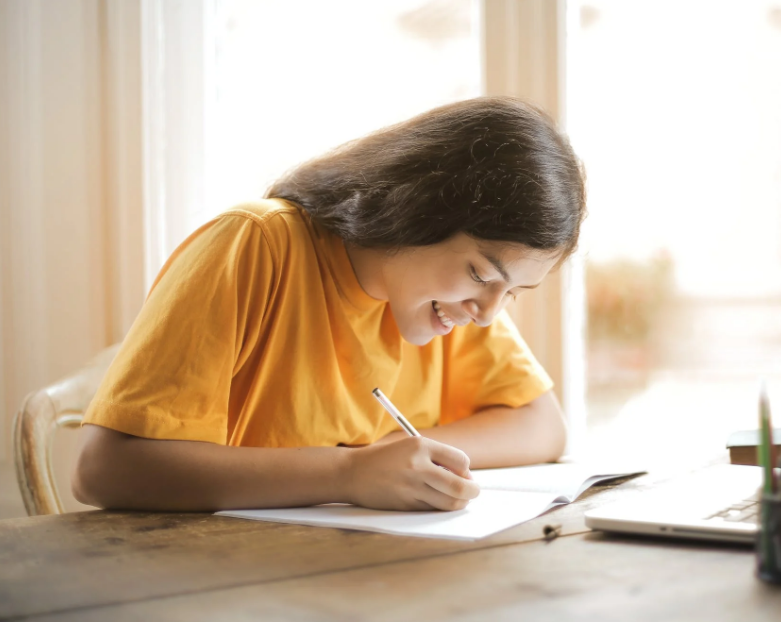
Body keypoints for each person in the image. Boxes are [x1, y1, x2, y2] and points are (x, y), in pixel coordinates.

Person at [72, 96, 587, 514]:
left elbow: (542, 425)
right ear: (415, 211)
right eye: (480, 274)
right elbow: (104, 470)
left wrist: (397, 457)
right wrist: (349, 474)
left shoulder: (452, 303)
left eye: (513, 293)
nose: (489, 313)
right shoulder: (255, 245)